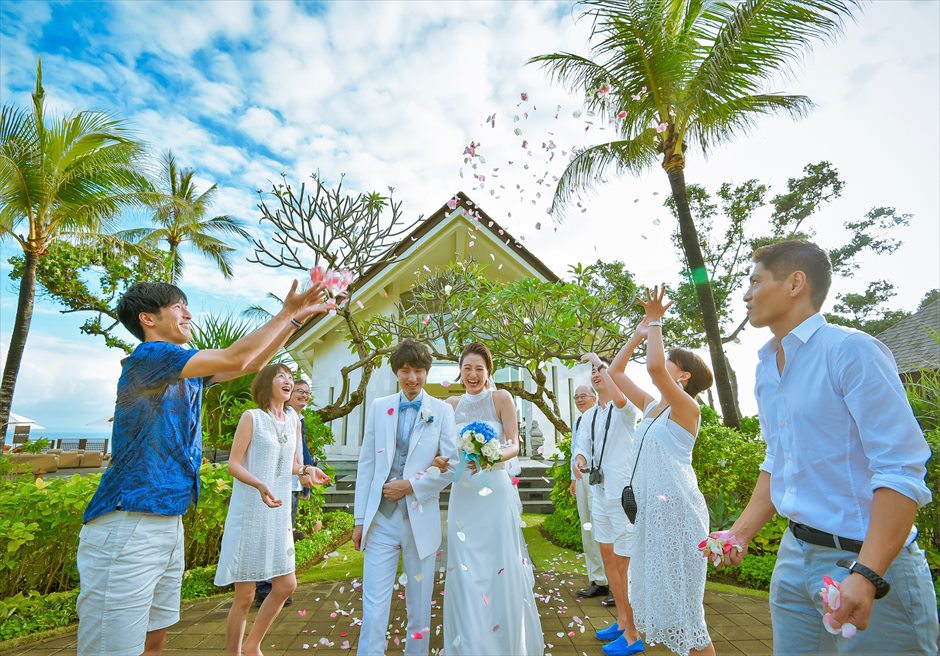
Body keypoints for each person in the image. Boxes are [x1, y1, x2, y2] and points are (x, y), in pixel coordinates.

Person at [75, 279, 328, 656]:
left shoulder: (182, 370)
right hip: (127, 523)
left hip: (167, 521)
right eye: (179, 307)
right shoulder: (151, 357)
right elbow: (236, 358)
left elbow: (252, 363)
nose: (188, 314)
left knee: (154, 641)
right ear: (148, 318)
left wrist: (292, 323)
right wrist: (286, 311)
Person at [722, 240, 938, 654]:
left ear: (795, 283)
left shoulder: (850, 351)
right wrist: (739, 534)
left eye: (755, 281)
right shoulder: (767, 369)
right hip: (794, 557)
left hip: (864, 562)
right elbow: (778, 460)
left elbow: (900, 468)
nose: (746, 294)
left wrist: (869, 572)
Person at [214, 364, 330, 656]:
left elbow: (292, 464)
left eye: (291, 378)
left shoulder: (293, 420)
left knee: (286, 585)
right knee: (245, 595)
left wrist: (307, 469)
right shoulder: (252, 417)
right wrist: (260, 485)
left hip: (278, 511)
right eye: (282, 377)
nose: (289, 382)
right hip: (251, 510)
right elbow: (234, 464)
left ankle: (252, 644)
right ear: (267, 383)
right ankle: (234, 653)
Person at [353, 339, 458, 656]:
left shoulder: (440, 411)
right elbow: (367, 465)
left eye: (418, 371)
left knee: (419, 608)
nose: (412, 378)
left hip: (420, 520)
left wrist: (410, 485)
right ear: (396, 372)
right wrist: (360, 520)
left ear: (427, 372)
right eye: (405, 371)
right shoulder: (378, 407)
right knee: (373, 608)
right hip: (380, 520)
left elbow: (451, 466)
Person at [440, 341, 544, 655]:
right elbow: (443, 448)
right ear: (460, 371)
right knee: (465, 566)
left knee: (499, 565)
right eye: (467, 368)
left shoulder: (501, 397)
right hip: (464, 495)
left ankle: (505, 644)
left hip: (495, 491)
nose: (473, 374)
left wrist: (492, 455)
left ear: (489, 372)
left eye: (479, 369)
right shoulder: (451, 405)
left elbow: (514, 442)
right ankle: (471, 644)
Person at [572, 356, 641, 646]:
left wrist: (603, 364)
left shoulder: (624, 408)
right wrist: (579, 460)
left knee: (625, 563)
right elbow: (582, 447)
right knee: (608, 557)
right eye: (593, 372)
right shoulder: (589, 415)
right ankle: (622, 621)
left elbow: (623, 398)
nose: (597, 375)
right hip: (598, 492)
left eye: (601, 370)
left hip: (623, 494)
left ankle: (633, 634)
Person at [255, 378, 319, 608]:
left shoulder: (296, 419)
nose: (304, 395)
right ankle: (264, 589)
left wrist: (306, 475)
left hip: (291, 485)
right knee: (269, 538)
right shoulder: (272, 417)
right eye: (299, 391)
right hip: (275, 486)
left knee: (283, 539)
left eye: (307, 392)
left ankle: (275, 587)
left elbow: (300, 453)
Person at [570, 384, 609, 600]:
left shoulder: (603, 416)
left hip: (599, 478)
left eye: (583, 395)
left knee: (602, 528)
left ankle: (613, 581)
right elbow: (575, 450)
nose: (579, 399)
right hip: (582, 477)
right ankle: (597, 580)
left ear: (594, 397)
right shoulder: (579, 421)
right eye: (576, 397)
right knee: (587, 528)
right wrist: (573, 479)